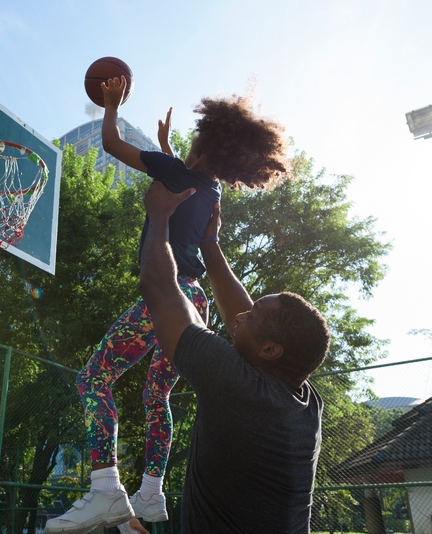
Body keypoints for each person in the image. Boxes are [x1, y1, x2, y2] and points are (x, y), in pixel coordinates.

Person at [44, 77, 289, 534]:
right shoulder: (210, 188)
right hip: (196, 302)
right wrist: (167, 146)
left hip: (168, 292)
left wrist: (111, 105)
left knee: (94, 378)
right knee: (158, 394)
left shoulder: (177, 173)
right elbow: (186, 169)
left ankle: (105, 490)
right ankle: (151, 494)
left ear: (201, 146)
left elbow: (113, 143)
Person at [138, 181, 330, 533]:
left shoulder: (237, 387)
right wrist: (209, 245)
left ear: (270, 351)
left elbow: (159, 286)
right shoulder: (303, 400)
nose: (239, 318)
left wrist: (159, 215)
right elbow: (244, 319)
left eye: (251, 317)